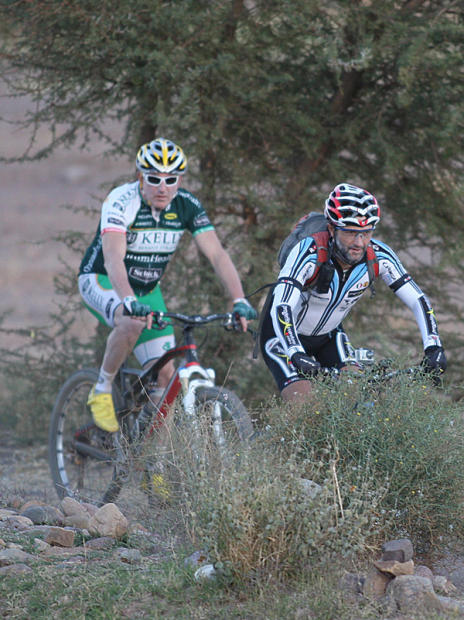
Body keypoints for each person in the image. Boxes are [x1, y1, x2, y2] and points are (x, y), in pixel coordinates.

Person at [79, 137, 256, 432]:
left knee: (165, 376)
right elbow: (112, 258)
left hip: (147, 290)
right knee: (130, 322)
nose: (162, 187)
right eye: (154, 178)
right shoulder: (121, 200)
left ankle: (151, 457)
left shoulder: (187, 205)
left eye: (171, 179)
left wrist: (240, 299)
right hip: (101, 279)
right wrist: (127, 300)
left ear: (179, 181)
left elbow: (216, 254)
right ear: (140, 177)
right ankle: (102, 389)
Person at [260, 182, 447, 402]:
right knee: (304, 403)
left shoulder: (379, 256)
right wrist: (295, 351)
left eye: (366, 233)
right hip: (282, 336)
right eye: (350, 232)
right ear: (332, 229)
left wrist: (434, 346)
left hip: (328, 336)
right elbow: (282, 306)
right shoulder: (308, 252)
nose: (359, 242)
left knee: (358, 396)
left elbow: (418, 300)